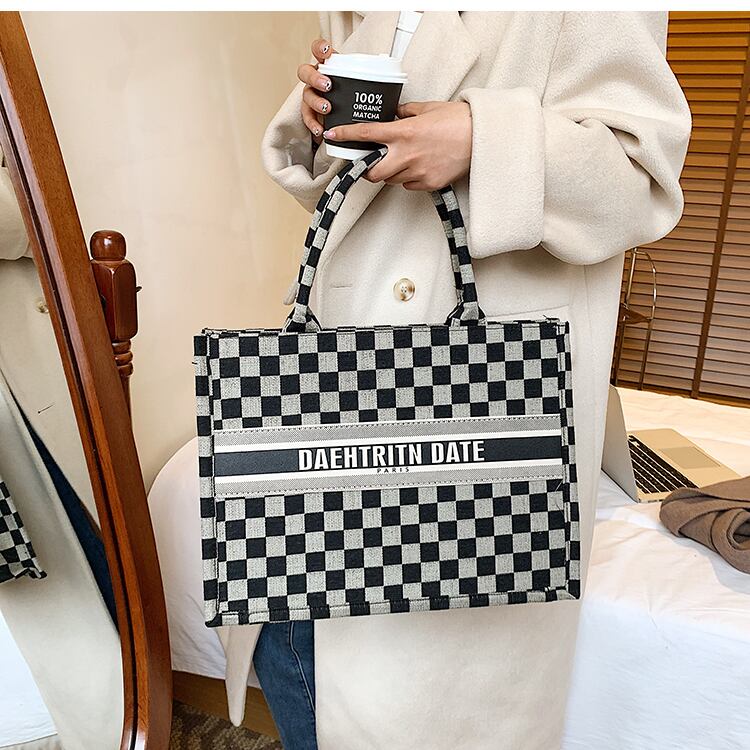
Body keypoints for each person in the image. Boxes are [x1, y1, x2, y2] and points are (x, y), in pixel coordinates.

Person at [244, 11, 691, 750]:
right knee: (292, 632)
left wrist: (484, 141)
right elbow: (356, 177)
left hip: (476, 391)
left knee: (416, 693)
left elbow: (641, 180)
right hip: (340, 365)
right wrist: (325, 118)